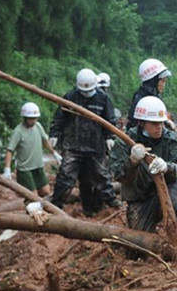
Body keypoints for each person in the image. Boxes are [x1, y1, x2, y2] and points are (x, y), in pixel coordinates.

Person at [110, 96, 177, 243]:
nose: (159, 127)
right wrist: (132, 162)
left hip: (167, 190)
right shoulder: (125, 142)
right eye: (154, 123)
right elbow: (118, 175)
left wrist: (167, 167)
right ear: (142, 123)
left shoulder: (170, 138)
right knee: (140, 246)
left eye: (161, 123)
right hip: (140, 199)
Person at [49, 68, 122, 216]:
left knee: (101, 175)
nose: (87, 94)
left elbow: (110, 121)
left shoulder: (103, 99)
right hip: (73, 145)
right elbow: (59, 118)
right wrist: (55, 133)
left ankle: (110, 201)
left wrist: (110, 137)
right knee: (65, 175)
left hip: (95, 146)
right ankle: (56, 204)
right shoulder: (70, 97)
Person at [3, 102, 62, 198]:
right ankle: (32, 210)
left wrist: (53, 153)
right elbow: (10, 150)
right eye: (31, 119)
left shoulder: (38, 126)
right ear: (25, 118)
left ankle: (42, 209)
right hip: (25, 169)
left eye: (35, 118)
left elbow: (45, 141)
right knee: (32, 196)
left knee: (46, 191)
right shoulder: (18, 131)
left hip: (38, 166)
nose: (33, 121)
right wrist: (7, 169)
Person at [127, 59, 174, 130]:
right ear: (153, 82)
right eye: (163, 81)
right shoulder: (141, 101)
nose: (164, 85)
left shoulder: (155, 97)